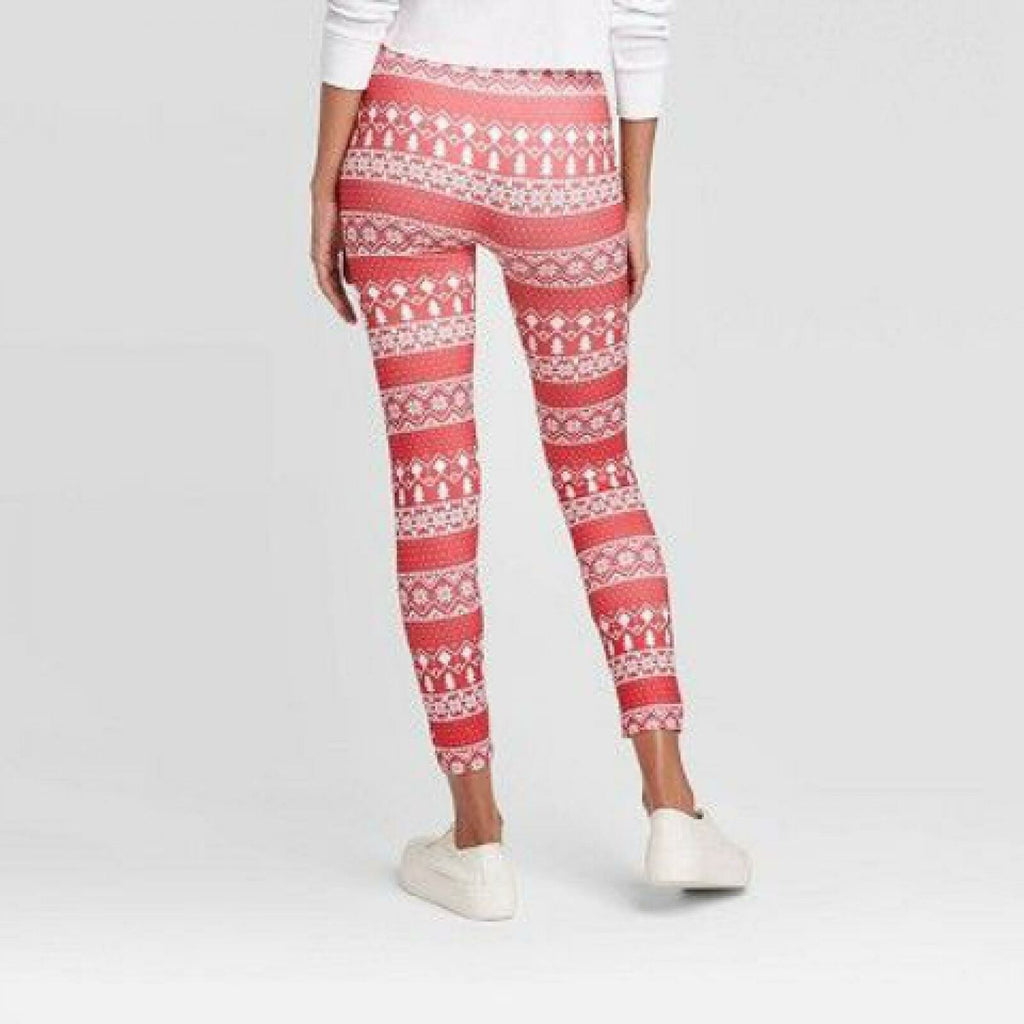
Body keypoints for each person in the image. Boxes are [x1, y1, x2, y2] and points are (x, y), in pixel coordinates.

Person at [310, 0, 750, 920]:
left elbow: (359, 8)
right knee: (598, 472)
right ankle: (672, 807)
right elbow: (640, 23)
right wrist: (636, 202)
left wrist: (324, 184)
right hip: (560, 151)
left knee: (432, 489)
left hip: (408, 134)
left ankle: (475, 844)